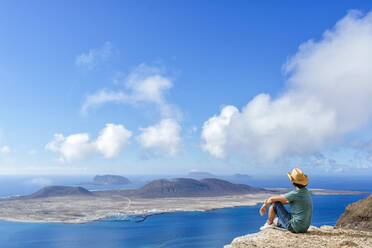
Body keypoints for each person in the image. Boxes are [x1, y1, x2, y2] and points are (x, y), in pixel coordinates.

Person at [259, 168, 313, 233]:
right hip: (304, 228)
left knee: (275, 204)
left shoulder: (296, 193)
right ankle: (274, 224)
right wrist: (273, 201)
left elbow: (272, 199)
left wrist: (264, 206)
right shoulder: (305, 192)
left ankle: (269, 224)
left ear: (293, 182)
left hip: (294, 227)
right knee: (277, 219)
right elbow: (288, 202)